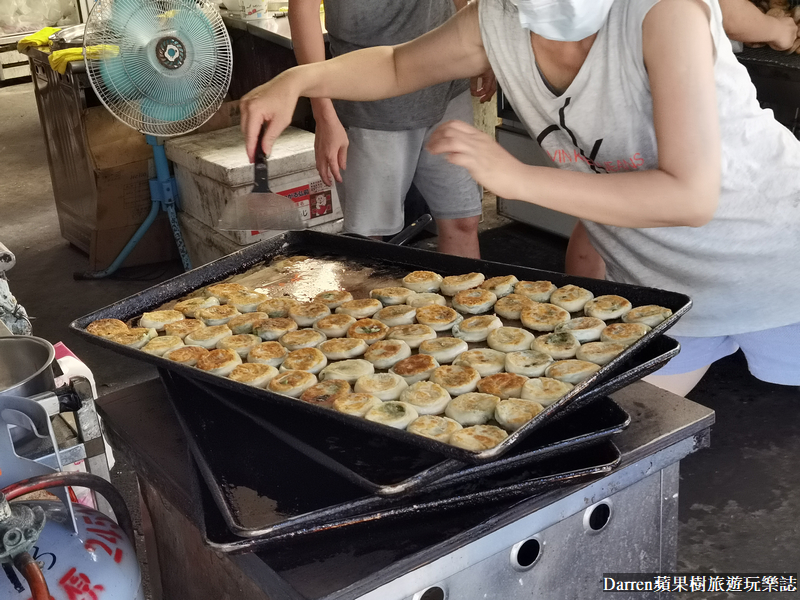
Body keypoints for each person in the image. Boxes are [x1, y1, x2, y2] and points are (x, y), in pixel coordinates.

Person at [240, 0, 800, 395]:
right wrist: (300, 79)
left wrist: (516, 177)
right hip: (673, 289)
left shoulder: (662, 13)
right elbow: (395, 64)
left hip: (773, 257)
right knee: (635, 436)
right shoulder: (501, 18)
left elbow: (689, 195)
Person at [286, 0, 495, 258]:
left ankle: (468, 298)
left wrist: (480, 47)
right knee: (367, 242)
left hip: (446, 86)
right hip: (369, 103)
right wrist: (324, 114)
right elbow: (302, 10)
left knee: (462, 220)